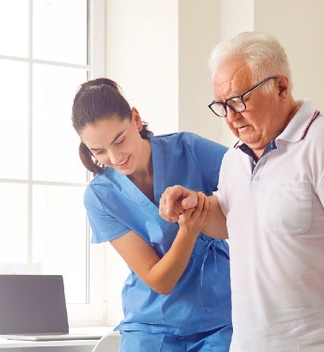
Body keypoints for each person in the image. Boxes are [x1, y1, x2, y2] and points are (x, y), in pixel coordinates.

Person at [159, 32, 324, 352]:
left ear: (281, 87)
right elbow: (233, 222)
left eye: (239, 101)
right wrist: (197, 207)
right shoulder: (234, 159)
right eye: (222, 106)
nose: (230, 117)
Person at [71, 77, 233, 351]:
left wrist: (201, 202)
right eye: (99, 151)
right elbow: (160, 279)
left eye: (119, 140)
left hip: (218, 317)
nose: (115, 156)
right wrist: (190, 228)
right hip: (150, 325)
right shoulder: (100, 196)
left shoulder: (189, 149)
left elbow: (256, 187)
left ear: (135, 118)